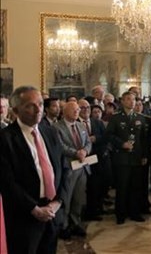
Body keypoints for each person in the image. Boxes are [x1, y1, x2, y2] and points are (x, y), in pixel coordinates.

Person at [0, 86, 70, 254]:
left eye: (40, 103)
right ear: (16, 110)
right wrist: (34, 209)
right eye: (30, 105)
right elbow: (7, 182)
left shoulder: (51, 132)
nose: (38, 109)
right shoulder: (5, 138)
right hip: (24, 216)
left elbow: (64, 168)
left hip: (52, 212)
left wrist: (57, 202)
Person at [106, 91, 150, 225]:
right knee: (122, 186)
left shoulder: (140, 118)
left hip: (136, 157)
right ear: (123, 101)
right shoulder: (116, 118)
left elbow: (143, 139)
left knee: (135, 186)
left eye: (134, 100)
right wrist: (121, 144)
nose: (132, 102)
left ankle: (135, 212)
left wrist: (144, 155)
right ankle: (121, 214)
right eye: (129, 99)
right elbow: (109, 135)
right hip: (122, 158)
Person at [53, 101, 92, 239]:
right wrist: (76, 153)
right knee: (66, 199)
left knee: (79, 198)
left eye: (78, 109)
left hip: (82, 167)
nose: (77, 112)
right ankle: (63, 226)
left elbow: (88, 142)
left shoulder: (81, 125)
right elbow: (60, 146)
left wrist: (84, 151)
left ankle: (75, 223)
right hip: (67, 168)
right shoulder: (57, 127)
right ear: (64, 111)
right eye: (74, 110)